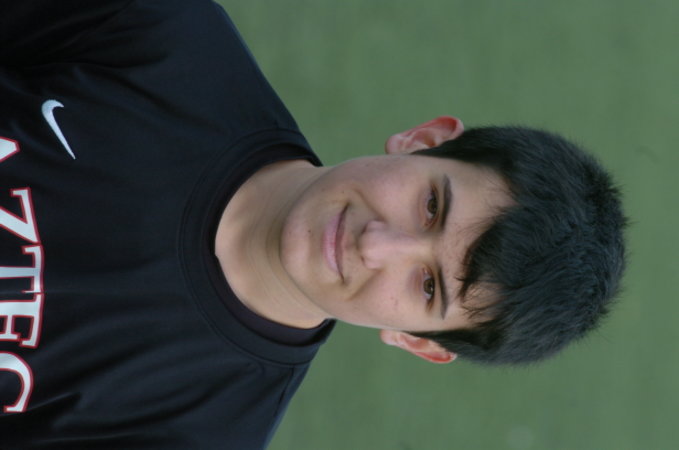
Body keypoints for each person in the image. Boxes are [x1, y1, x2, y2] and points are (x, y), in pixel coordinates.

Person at [0, 0, 625, 448]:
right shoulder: (164, 33)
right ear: (425, 140)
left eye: (428, 285)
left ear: (420, 342)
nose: (377, 244)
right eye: (431, 206)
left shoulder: (192, 432)